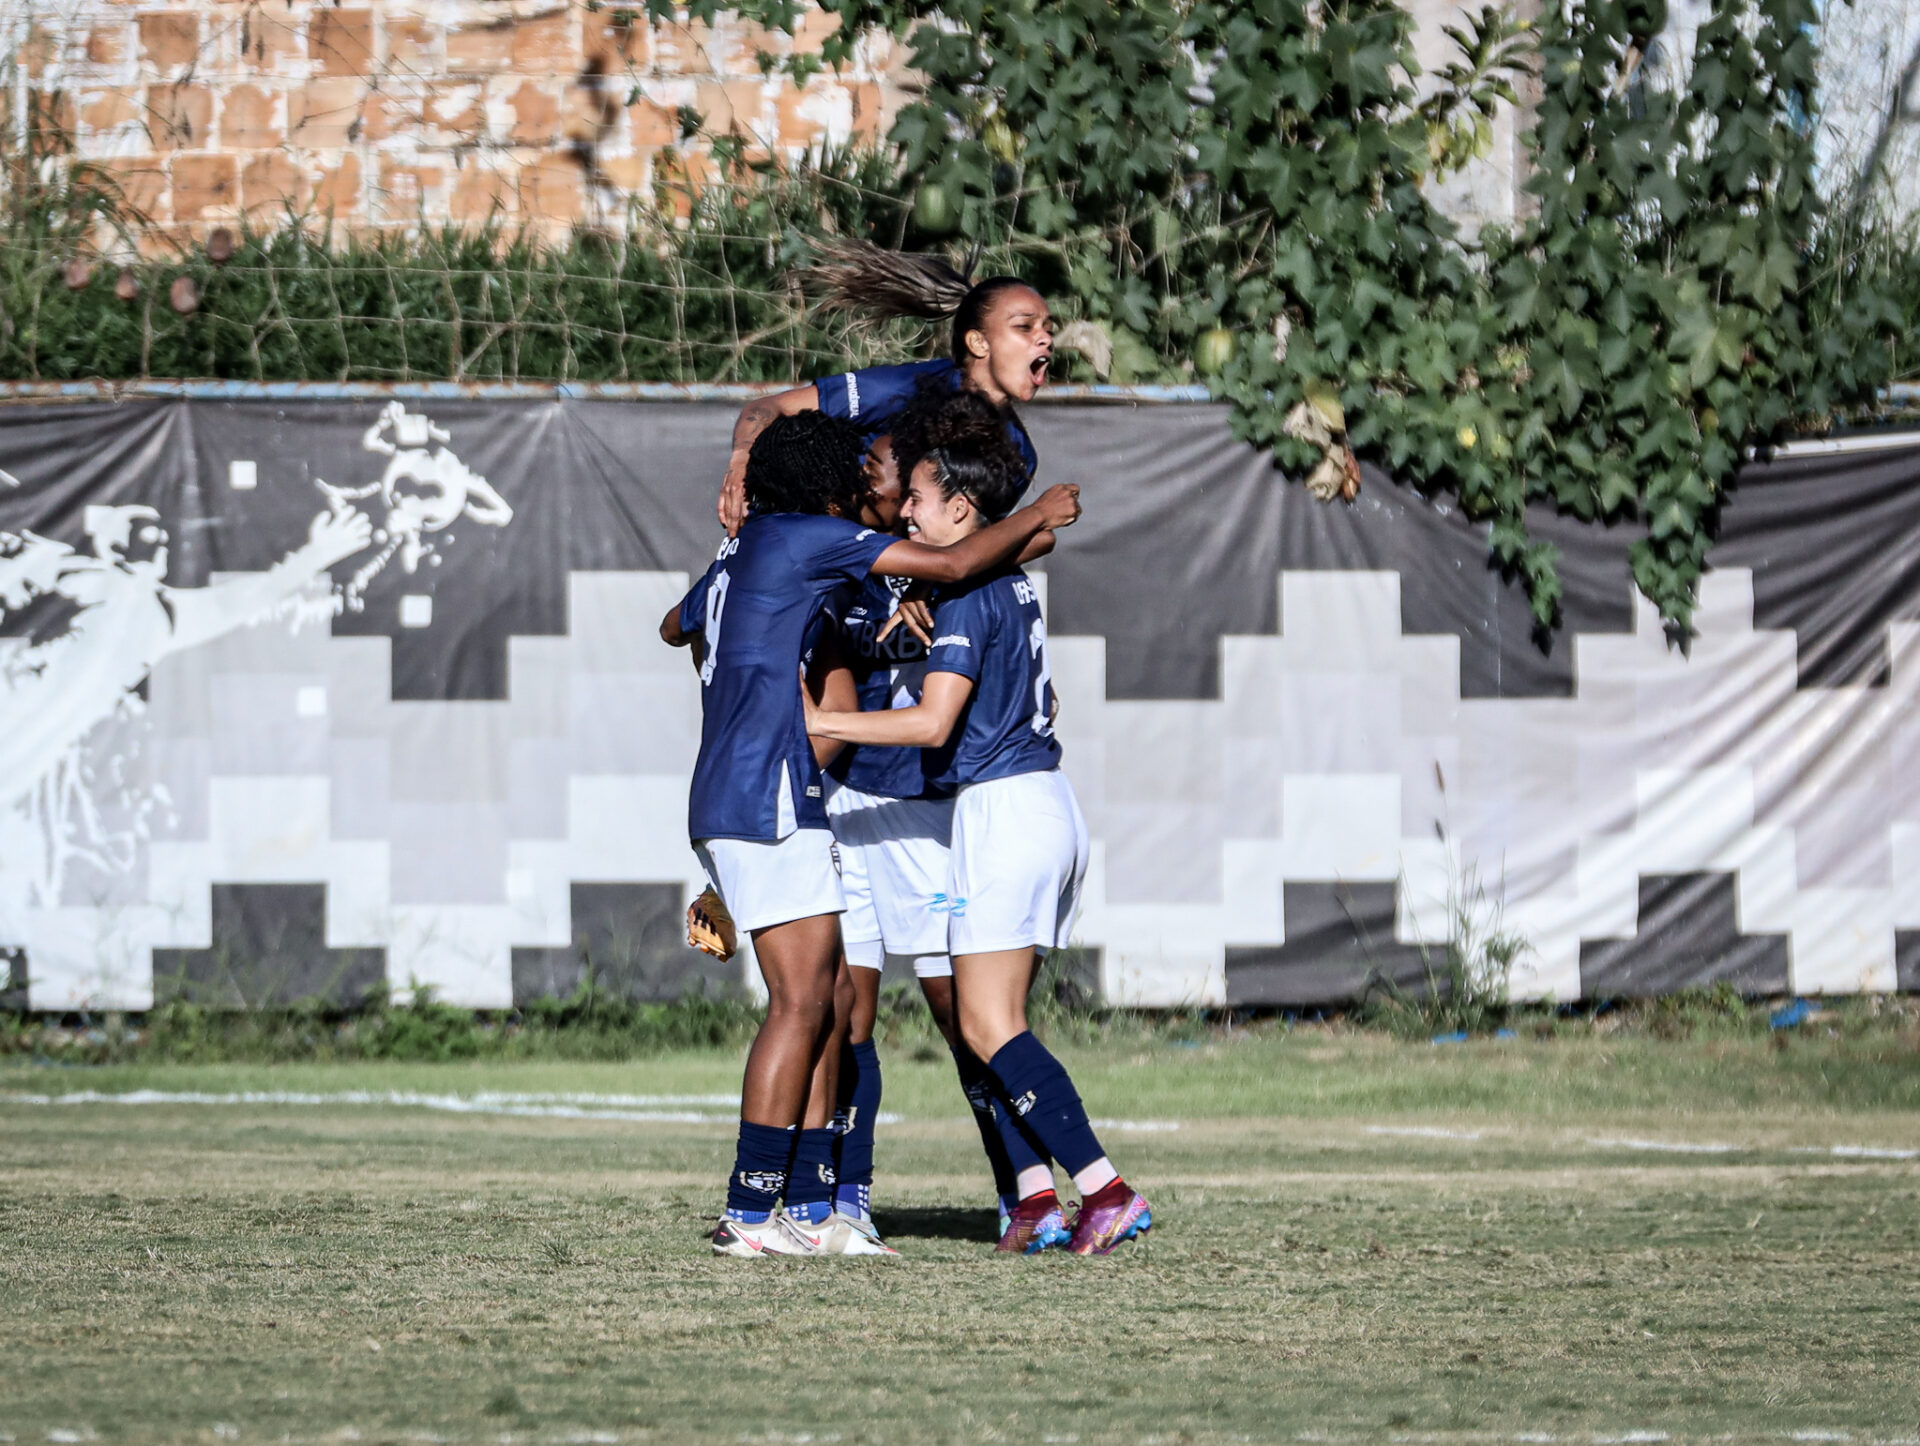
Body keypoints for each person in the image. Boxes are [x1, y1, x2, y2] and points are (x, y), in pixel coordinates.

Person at [659, 410, 1081, 1258]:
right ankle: (749, 1214)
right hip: (768, 789)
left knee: (836, 1003)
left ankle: (815, 1208)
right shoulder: (807, 538)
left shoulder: (743, 558)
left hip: (751, 792)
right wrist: (1041, 513)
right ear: (821, 488)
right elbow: (962, 558)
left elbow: (674, 626)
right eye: (853, 475)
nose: (866, 487)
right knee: (804, 1004)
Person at [803, 406, 1152, 1257]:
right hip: (1029, 805)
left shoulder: (965, 583)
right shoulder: (990, 576)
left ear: (960, 506)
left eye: (918, 492)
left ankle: (1104, 1190)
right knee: (982, 1022)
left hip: (999, 813)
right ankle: (1036, 1196)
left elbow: (931, 725)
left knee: (987, 1024)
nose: (909, 511)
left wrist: (818, 723)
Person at [805, 390, 1056, 1245]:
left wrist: (937, 571)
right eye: (884, 472)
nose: (895, 486)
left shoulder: (947, 559)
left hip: (926, 818)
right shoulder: (835, 565)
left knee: (967, 1018)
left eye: (905, 475)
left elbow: (1034, 533)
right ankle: (847, 1202)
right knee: (846, 1013)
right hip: (851, 811)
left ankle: (1023, 1190)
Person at [714, 240, 1054, 535]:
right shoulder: (913, 386)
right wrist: (741, 459)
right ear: (978, 343)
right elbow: (769, 408)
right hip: (808, 548)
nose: (1045, 338)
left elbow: (977, 548)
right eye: (1025, 327)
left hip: (883, 581)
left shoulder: (1019, 457)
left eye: (1048, 328)